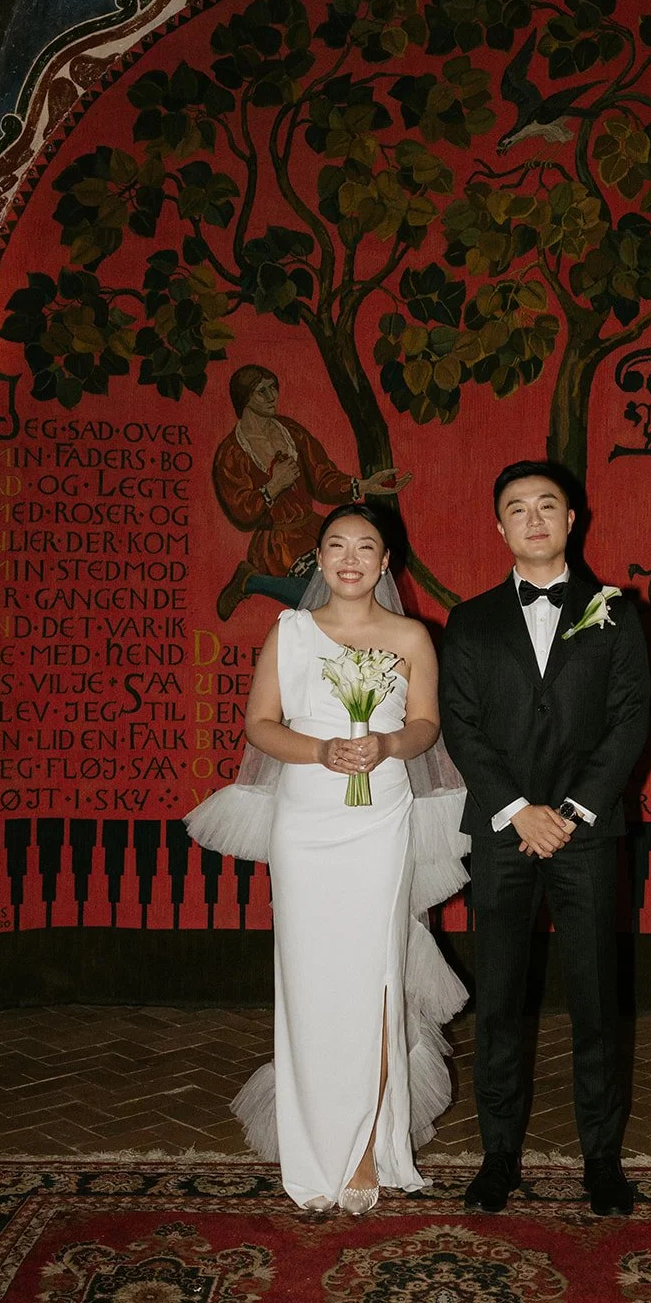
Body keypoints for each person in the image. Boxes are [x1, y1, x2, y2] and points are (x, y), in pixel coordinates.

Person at [186, 503, 467, 1213]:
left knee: (375, 976)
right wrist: (320, 751)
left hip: (381, 814)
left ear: (384, 564)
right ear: (318, 559)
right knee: (309, 980)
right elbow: (259, 725)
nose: (350, 557)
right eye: (335, 545)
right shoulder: (290, 633)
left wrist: (384, 746)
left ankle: (371, 1144)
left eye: (365, 546)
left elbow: (426, 723)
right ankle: (315, 1145)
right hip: (306, 817)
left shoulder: (410, 635)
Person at [439, 461, 650, 1217]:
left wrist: (572, 809)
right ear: (498, 527)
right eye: (516, 508)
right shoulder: (467, 622)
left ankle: (601, 1159)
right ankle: (498, 1155)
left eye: (546, 506)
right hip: (503, 834)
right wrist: (517, 809)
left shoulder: (616, 612)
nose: (532, 519)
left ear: (572, 519)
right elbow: (461, 724)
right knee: (499, 997)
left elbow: (630, 719)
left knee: (595, 997)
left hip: (586, 834)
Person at [211, 364, 410, 619]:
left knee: (343, 592)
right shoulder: (232, 452)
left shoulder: (290, 432)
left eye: (274, 388)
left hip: (311, 530)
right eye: (262, 391)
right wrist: (274, 486)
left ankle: (250, 582)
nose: (272, 396)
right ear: (244, 398)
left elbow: (321, 478)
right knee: (326, 598)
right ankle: (251, 581)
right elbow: (240, 511)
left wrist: (364, 485)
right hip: (278, 544)